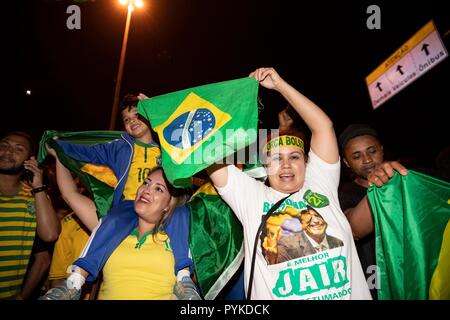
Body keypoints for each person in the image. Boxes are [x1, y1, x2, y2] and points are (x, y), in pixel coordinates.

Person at [207, 67, 406, 300]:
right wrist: (165, 117)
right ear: (265, 166)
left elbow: (323, 127)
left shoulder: (320, 184)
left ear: (307, 162)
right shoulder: (251, 198)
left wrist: (280, 85)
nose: (286, 165)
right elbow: (205, 147)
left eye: (294, 157)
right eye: (275, 159)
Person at [51, 94, 196, 294]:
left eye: (137, 115)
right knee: (110, 221)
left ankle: (184, 277)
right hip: (129, 204)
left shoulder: (168, 147)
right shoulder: (120, 148)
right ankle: (76, 279)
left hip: (167, 204)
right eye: (126, 120)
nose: (132, 121)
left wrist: (159, 112)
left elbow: (190, 138)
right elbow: (90, 152)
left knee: (182, 214)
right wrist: (61, 146)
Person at [41, 163, 191, 299]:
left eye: (158, 189)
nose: (146, 190)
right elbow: (70, 194)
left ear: (168, 205)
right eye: (146, 183)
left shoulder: (180, 237)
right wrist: (59, 156)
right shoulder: (111, 230)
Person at [0, 131, 60, 299]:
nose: (8, 151)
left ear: (30, 160)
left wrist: (38, 185)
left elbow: (50, 235)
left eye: (19, 149)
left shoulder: (34, 197)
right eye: (4, 145)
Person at [337, 124, 384, 299]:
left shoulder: (404, 180)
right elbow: (355, 229)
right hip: (374, 278)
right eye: (357, 156)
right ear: (346, 162)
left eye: (372, 151)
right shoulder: (342, 194)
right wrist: (378, 187)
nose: (367, 160)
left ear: (382, 150)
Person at [276, 206, 344, 263]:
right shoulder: (287, 247)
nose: (316, 221)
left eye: (318, 216)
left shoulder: (338, 242)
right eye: (309, 218)